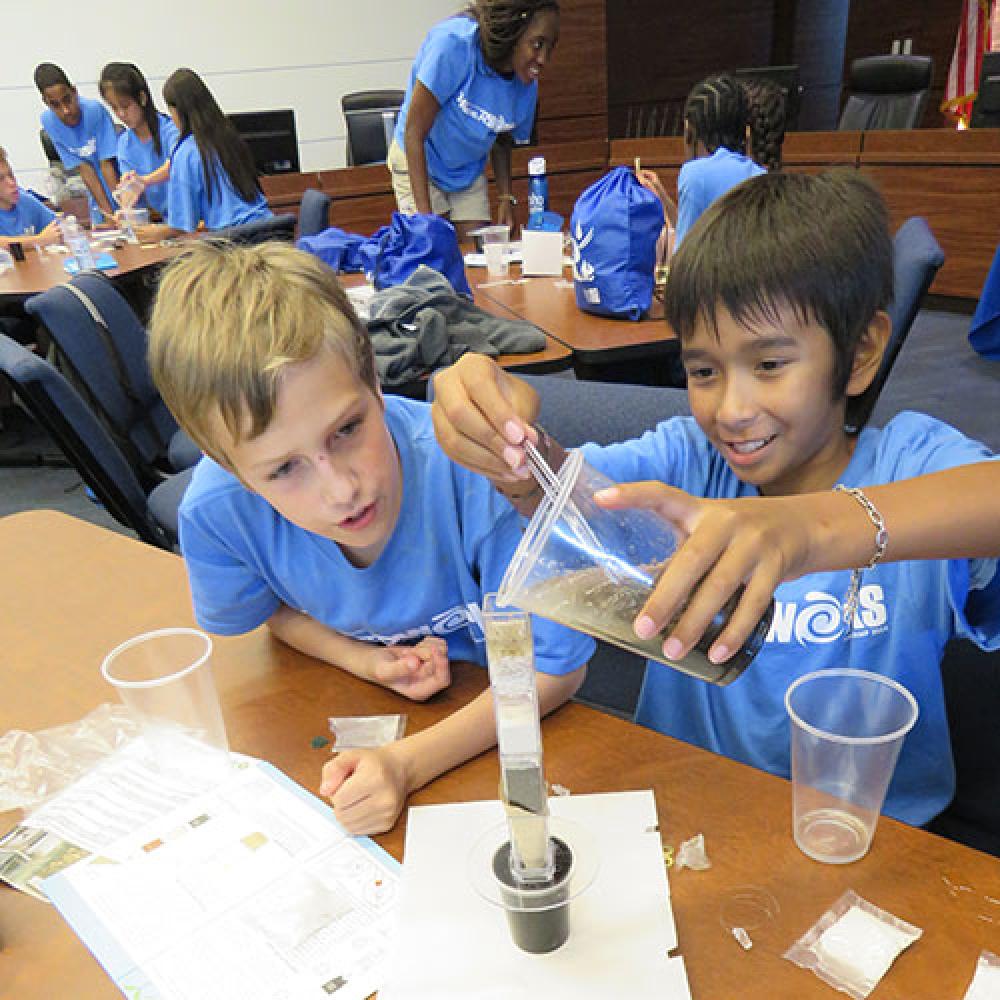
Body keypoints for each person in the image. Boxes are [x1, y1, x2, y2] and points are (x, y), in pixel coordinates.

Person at [430, 169, 1000, 829]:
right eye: (703, 371)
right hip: (690, 813)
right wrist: (507, 442)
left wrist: (809, 529)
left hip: (876, 839)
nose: (730, 410)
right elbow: (562, 495)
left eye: (769, 365)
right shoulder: (686, 461)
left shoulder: (912, 463)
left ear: (861, 351)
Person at [147, 240, 592, 835]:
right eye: (284, 469)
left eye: (348, 429)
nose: (341, 490)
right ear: (233, 471)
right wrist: (362, 660)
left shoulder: (475, 472)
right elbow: (267, 609)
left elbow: (554, 670)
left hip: (512, 733)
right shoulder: (217, 515)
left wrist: (407, 765)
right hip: (384, 710)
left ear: (377, 385)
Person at [389, 0, 560, 241]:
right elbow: (414, 133)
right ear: (514, 33)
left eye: (550, 48)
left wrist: (505, 197)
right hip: (419, 158)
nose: (543, 59)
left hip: (467, 169)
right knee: (434, 250)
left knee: (476, 257)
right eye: (537, 44)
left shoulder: (526, 85)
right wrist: (425, 222)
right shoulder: (454, 45)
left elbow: (502, 136)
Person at [136, 68, 271, 240]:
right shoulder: (228, 137)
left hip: (236, 244)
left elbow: (181, 227)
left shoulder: (186, 152)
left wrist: (152, 232)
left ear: (177, 111)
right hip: (270, 231)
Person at [35, 62, 119, 224]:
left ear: (74, 91)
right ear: (46, 102)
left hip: (116, 185)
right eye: (55, 105)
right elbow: (84, 168)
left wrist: (121, 210)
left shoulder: (94, 110)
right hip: (96, 196)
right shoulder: (48, 121)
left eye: (67, 100)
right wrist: (108, 215)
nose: (66, 110)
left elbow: (106, 163)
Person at [99, 62, 179, 223]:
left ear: (142, 98)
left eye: (126, 106)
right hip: (167, 223)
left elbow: (177, 165)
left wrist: (144, 181)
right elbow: (134, 193)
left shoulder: (171, 131)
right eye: (114, 108)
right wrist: (126, 207)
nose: (121, 114)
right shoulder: (124, 144)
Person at [0, 147, 59, 248]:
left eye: (11, 175)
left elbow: (57, 225)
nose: (12, 183)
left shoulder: (23, 199)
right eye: (1, 179)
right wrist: (40, 240)